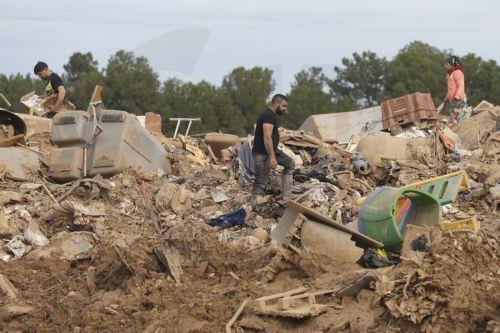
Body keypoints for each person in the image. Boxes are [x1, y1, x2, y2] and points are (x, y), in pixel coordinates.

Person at [252, 94, 295, 207]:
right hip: (262, 154)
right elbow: (267, 137)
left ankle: (287, 196)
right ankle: (255, 206)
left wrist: (273, 154)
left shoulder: (271, 115)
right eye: (284, 106)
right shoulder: (268, 116)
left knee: (290, 163)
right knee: (261, 182)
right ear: (277, 103)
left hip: (271, 152)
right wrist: (272, 157)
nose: (285, 109)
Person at [443, 56, 467, 124]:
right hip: (454, 100)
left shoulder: (458, 72)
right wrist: (446, 97)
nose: (445, 66)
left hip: (459, 100)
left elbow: (461, 86)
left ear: (452, 64)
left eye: (447, 64)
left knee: (457, 120)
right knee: (454, 119)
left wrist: (457, 96)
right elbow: (451, 88)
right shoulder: (451, 74)